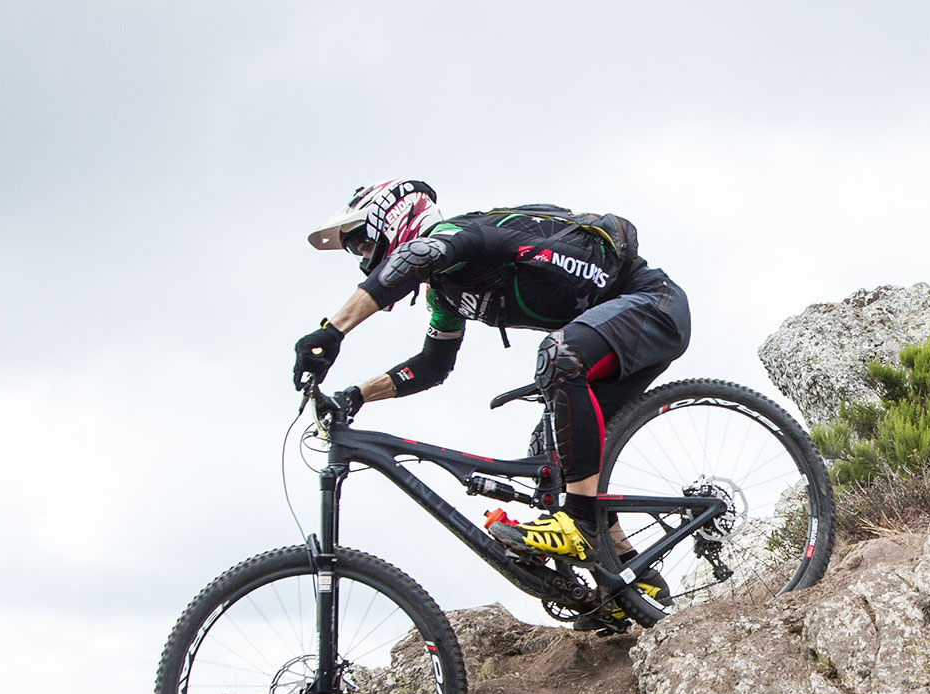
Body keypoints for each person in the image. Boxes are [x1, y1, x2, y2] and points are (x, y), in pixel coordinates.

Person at [291, 180, 691, 568]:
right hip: (612, 338)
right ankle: (628, 576)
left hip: (654, 305)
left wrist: (331, 332)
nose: (363, 258)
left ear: (393, 219)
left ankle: (580, 525)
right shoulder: (445, 294)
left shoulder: (460, 235)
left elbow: (415, 258)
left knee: (559, 355)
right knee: (551, 450)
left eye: (362, 243)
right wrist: (356, 395)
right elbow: (432, 366)